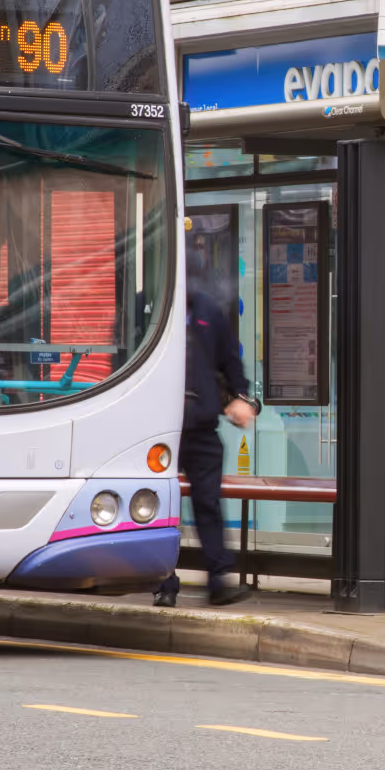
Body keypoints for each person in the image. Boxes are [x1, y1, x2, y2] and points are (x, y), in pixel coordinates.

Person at [155, 244, 261, 608]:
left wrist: (242, 398)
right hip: (156, 427)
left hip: (200, 427)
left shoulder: (207, 311)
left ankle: (218, 581)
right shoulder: (143, 307)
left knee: (207, 504)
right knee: (159, 506)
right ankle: (163, 583)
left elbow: (232, 363)